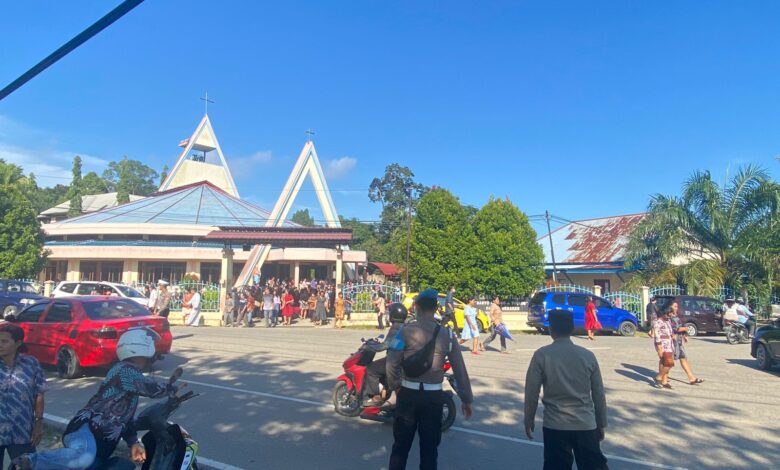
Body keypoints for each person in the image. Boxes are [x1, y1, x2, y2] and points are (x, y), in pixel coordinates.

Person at [13, 329, 170, 470]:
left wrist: (133, 442)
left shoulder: (131, 388)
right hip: (84, 429)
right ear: (142, 349)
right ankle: (29, 462)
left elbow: (123, 420)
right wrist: (173, 389)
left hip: (100, 446)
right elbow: (151, 389)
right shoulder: (124, 370)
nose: (153, 358)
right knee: (83, 457)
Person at [386, 289, 473, 470]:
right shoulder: (448, 335)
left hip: (407, 395)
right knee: (429, 450)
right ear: (436, 308)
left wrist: (396, 387)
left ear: (417, 307)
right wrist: (466, 399)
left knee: (400, 448)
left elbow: (391, 362)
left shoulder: (404, 332)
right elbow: (460, 370)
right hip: (433, 399)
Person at [524, 310, 608, 470]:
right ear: (572, 328)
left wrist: (528, 419)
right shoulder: (587, 356)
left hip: (555, 425)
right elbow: (598, 393)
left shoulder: (541, 355)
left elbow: (531, 392)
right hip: (585, 424)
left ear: (551, 329)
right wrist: (601, 423)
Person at [0, 324, 45, 470]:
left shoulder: (31, 364)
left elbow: (39, 394)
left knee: (26, 466)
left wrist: (38, 423)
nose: (0, 345)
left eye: (4, 341)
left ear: (18, 343)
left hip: (21, 430)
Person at [364, 303, 409, 406]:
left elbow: (384, 346)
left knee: (371, 369)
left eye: (390, 313)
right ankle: (385, 392)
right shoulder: (404, 326)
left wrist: (369, 346)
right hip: (401, 358)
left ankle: (375, 397)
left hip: (394, 360)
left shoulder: (395, 328)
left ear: (393, 315)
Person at [668, 302, 703, 385]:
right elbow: (674, 329)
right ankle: (662, 375)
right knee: (669, 361)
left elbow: (680, 326)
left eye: (677, 306)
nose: (676, 308)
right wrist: (685, 328)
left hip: (679, 341)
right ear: (670, 307)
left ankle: (692, 378)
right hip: (673, 342)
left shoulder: (676, 316)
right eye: (675, 306)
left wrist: (684, 335)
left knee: (683, 358)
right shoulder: (668, 317)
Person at [652, 306, 676, 389]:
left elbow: (670, 331)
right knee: (669, 363)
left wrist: (673, 335)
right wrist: (659, 348)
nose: (669, 316)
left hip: (669, 344)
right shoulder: (657, 322)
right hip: (662, 345)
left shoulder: (668, 321)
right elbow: (657, 336)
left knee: (663, 362)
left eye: (671, 314)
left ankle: (664, 381)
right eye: (668, 314)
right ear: (664, 313)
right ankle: (659, 377)